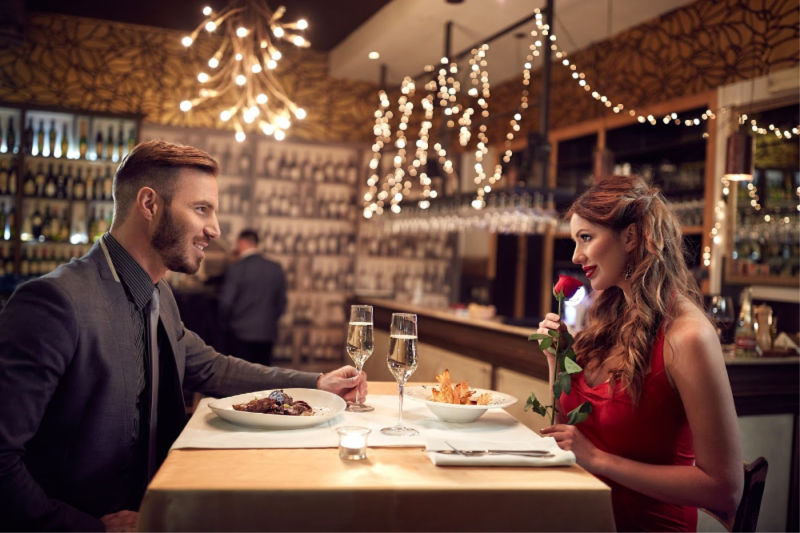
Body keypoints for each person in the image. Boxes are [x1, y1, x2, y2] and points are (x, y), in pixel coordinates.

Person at [0, 140, 366, 532]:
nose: (215, 229)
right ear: (149, 204)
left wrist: (316, 384)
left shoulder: (159, 293)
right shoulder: (54, 302)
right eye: (201, 209)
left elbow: (211, 368)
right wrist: (88, 528)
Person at [536, 175, 742, 531]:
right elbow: (577, 429)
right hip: (585, 517)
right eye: (575, 240)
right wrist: (558, 359)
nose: (576, 255)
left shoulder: (689, 337)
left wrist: (599, 460)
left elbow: (725, 490)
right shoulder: (610, 315)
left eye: (586, 238)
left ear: (630, 237)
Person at [219, 228, 286, 365]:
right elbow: (281, 303)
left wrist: (225, 325)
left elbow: (226, 303)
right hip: (267, 332)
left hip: (239, 334)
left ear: (241, 242)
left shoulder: (236, 268)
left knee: (241, 377)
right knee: (264, 378)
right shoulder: (275, 268)